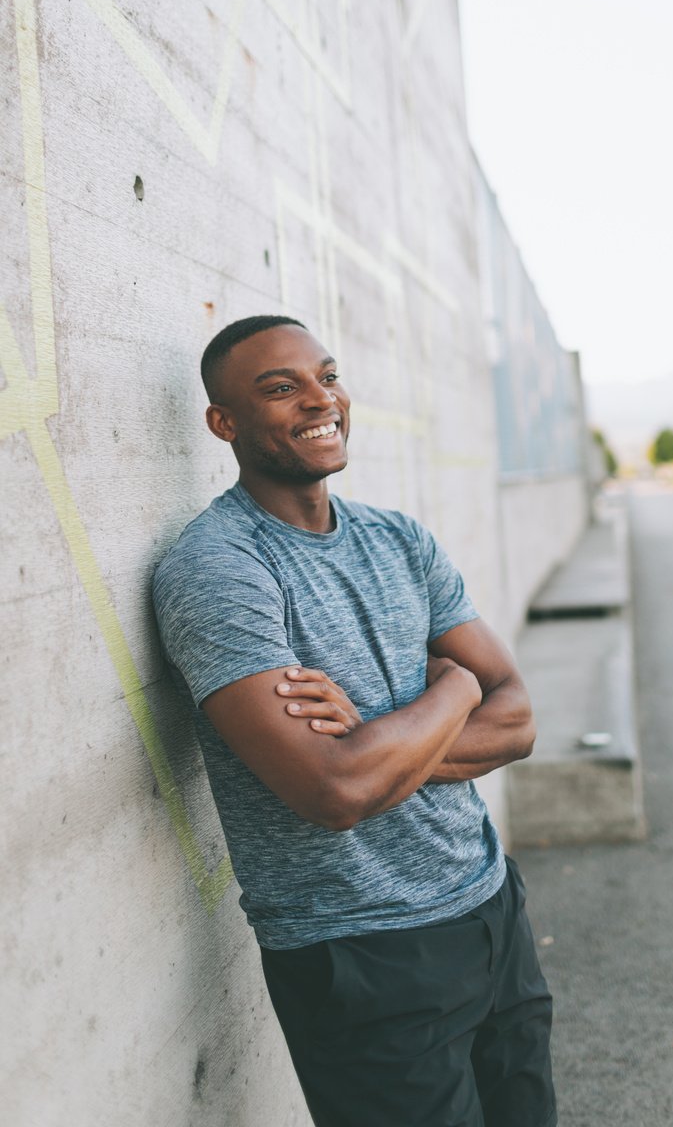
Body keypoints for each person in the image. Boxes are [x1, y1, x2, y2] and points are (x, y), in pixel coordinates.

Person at [152, 314, 556, 1127]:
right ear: (222, 424)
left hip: (489, 907)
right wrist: (452, 694)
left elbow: (519, 718)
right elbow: (333, 792)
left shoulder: (400, 540)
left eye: (327, 376)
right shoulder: (218, 570)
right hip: (358, 954)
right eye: (280, 387)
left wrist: (381, 749)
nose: (318, 398)